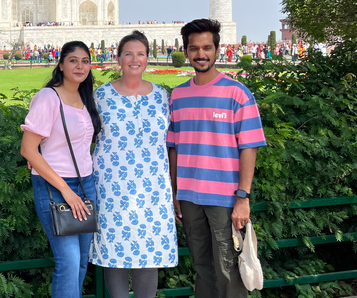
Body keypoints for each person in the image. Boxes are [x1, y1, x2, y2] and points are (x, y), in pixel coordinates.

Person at [167, 19, 267, 298]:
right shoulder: (178, 95)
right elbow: (173, 148)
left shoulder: (237, 93)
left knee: (228, 270)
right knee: (202, 267)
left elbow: (249, 147)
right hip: (188, 198)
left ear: (217, 49)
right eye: (194, 48)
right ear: (186, 51)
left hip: (224, 199)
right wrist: (176, 192)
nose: (201, 54)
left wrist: (242, 198)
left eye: (207, 47)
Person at [90, 30, 178, 298]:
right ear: (118, 58)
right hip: (112, 188)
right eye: (128, 53)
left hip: (153, 189)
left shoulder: (162, 96)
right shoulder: (100, 96)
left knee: (148, 254)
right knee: (113, 251)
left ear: (148, 59)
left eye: (140, 54)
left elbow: (174, 142)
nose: (134, 59)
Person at [20, 41, 102, 297]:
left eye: (85, 61)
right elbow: (28, 149)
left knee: (79, 263)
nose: (80, 66)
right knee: (67, 262)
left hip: (85, 183)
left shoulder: (83, 96)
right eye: (73, 60)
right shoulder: (49, 97)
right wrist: (66, 190)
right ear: (61, 64)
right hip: (56, 186)